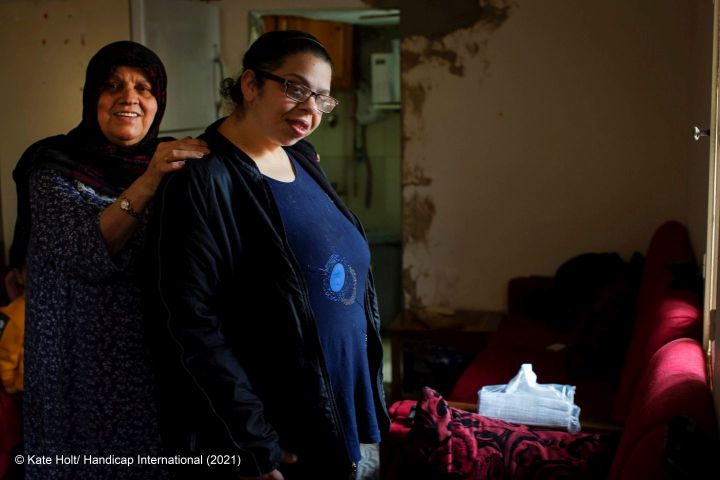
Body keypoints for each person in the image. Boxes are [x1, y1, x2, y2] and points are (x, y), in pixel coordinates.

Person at [145, 30, 389, 480]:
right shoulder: (203, 178)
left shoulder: (303, 160)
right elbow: (191, 322)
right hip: (271, 436)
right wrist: (249, 442)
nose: (310, 109)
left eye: (322, 98)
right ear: (250, 85)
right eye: (295, 88)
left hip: (330, 415)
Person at [11, 40, 208, 480]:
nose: (129, 98)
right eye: (113, 85)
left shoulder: (177, 165)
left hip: (155, 370)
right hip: (77, 374)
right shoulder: (51, 168)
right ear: (91, 97)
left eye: (144, 87)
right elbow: (87, 252)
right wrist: (150, 179)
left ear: (159, 101)